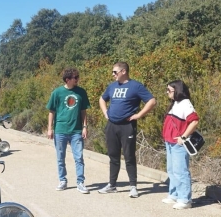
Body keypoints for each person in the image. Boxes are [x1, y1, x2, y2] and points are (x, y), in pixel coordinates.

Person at [98, 62, 156, 198]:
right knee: (113, 156)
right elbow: (102, 99)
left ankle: (133, 187)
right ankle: (112, 185)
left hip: (127, 126)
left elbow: (152, 101)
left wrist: (139, 115)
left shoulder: (136, 86)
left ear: (123, 71)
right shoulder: (112, 86)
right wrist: (105, 112)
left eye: (115, 72)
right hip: (112, 125)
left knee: (129, 156)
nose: (113, 75)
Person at [46, 67, 90, 193]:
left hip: (76, 131)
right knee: (60, 157)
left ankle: (80, 182)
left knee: (79, 157)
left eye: (78, 77)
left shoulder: (81, 92)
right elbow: (51, 111)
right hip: (60, 130)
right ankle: (62, 180)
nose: (77, 79)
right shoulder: (57, 92)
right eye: (75, 78)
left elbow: (83, 111)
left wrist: (85, 127)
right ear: (67, 79)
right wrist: (50, 129)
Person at [162, 80, 199, 209]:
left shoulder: (185, 103)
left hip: (178, 143)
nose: (167, 93)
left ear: (177, 90)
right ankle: (174, 194)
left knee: (180, 171)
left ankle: (185, 199)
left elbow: (194, 121)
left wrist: (183, 137)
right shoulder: (175, 104)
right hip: (170, 141)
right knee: (172, 170)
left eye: (169, 90)